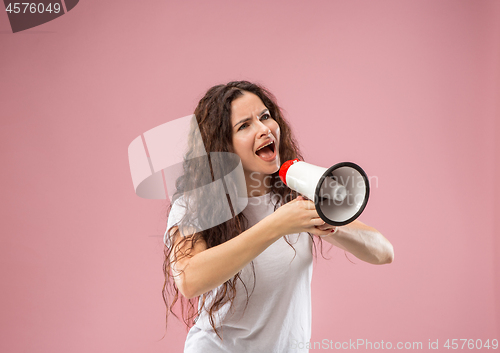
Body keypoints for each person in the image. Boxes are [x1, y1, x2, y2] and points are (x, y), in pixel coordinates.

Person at [162, 81, 394, 352]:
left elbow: (383, 252)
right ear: (222, 146)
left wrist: (332, 223)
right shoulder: (194, 204)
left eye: (265, 116)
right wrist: (279, 224)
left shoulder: (295, 195)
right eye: (244, 125)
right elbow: (189, 280)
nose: (264, 129)